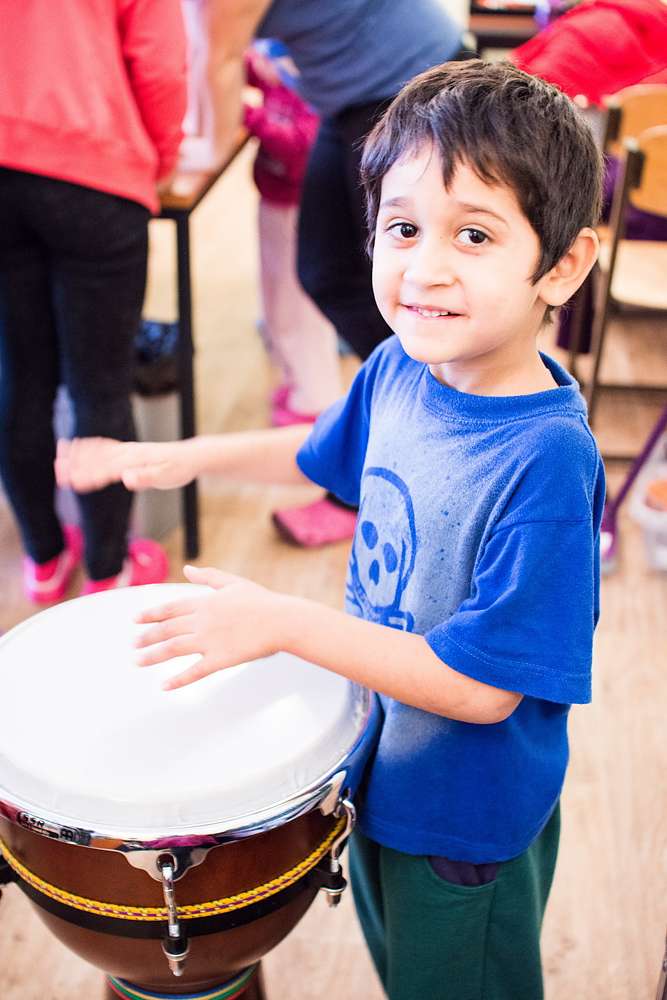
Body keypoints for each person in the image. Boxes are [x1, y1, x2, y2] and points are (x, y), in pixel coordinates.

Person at [56, 61, 605, 999]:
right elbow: (321, 455)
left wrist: (282, 624)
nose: (423, 268)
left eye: (473, 234)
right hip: (383, 770)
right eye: (402, 228)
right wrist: (183, 456)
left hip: (464, 822)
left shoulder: (546, 460)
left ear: (561, 264)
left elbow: (483, 692)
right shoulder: (401, 366)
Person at [198, 0, 469, 545]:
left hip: (410, 87)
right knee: (326, 273)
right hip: (351, 102)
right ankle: (419, 422)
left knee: (398, 294)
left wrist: (200, 152)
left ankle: (414, 450)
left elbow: (218, 57)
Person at [0, 0, 187, 602]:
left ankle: (45, 561)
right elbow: (160, 64)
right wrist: (159, 158)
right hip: (95, 168)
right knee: (99, 387)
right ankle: (109, 570)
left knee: (18, 378)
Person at [243, 41, 342, 426]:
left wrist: (251, 118)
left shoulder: (313, 88)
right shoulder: (284, 73)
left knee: (298, 304)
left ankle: (314, 398)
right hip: (276, 200)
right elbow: (254, 72)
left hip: (296, 207)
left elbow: (299, 149)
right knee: (277, 300)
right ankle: (297, 380)